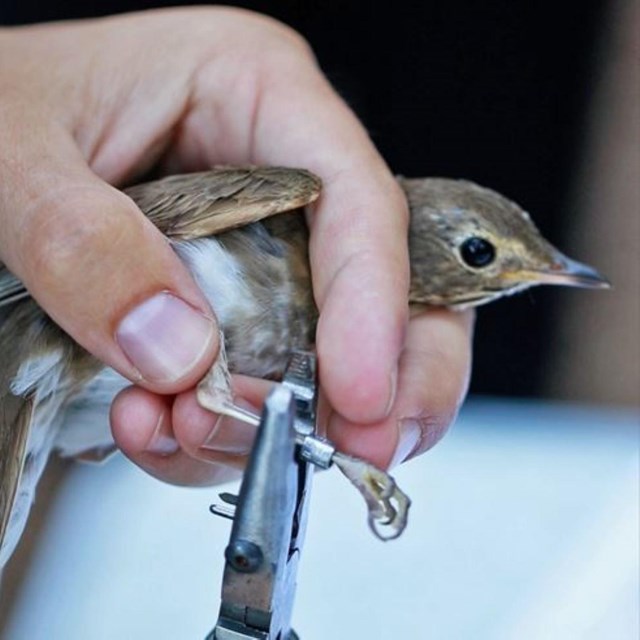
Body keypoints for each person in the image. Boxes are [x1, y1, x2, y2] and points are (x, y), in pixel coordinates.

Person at [0, 7, 473, 487]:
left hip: (76, 404)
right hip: (31, 347)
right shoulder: (288, 197)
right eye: (477, 255)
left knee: (189, 427)